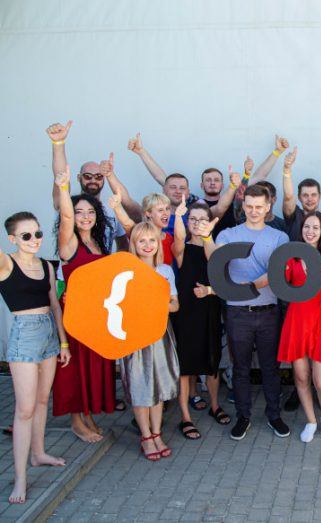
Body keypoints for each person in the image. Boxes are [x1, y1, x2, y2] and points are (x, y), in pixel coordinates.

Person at [202, 183, 291, 440]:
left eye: (259, 207)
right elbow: (214, 260)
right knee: (240, 368)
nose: (253, 211)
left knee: (270, 368)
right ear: (243, 206)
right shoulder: (228, 234)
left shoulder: (279, 237)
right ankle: (243, 416)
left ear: (268, 207)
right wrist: (207, 237)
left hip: (268, 311)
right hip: (237, 313)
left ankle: (274, 415)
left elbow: (276, 273)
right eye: (249, 206)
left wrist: (250, 285)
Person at [0, 212, 71, 504]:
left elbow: (54, 305)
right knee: (25, 409)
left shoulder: (46, 265)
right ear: (12, 239)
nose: (34, 240)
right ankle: (20, 479)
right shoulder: (6, 263)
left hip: (48, 337)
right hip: (24, 336)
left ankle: (38, 454)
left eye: (38, 234)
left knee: (43, 400)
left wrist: (63, 342)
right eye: (26, 235)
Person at [52, 167, 116, 442]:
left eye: (90, 212)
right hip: (75, 315)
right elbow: (65, 215)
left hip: (96, 315)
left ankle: (88, 413)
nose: (85, 217)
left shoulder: (98, 243)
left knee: (92, 366)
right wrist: (64, 188)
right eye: (79, 212)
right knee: (75, 369)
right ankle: (76, 421)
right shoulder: (69, 242)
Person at [129, 132, 290, 233]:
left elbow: (258, 176)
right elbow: (161, 177)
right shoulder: (192, 202)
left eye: (217, 180)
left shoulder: (233, 197)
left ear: (222, 184)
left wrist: (277, 152)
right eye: (208, 180)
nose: (212, 183)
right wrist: (141, 152)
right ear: (201, 185)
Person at [119, 222, 180, 461]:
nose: (147, 245)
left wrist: (158, 303)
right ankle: (145, 436)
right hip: (135, 335)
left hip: (160, 334)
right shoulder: (126, 271)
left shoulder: (165, 271)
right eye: (141, 241)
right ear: (133, 244)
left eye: (151, 240)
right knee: (139, 385)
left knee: (158, 385)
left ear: (158, 244)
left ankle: (157, 433)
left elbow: (175, 305)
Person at [171, 201, 231, 440]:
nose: (197, 224)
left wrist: (207, 237)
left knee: (212, 362)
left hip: (209, 310)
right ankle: (185, 416)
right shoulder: (182, 249)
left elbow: (217, 266)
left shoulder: (214, 246)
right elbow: (177, 239)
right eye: (192, 219)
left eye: (202, 220)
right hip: (185, 314)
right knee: (185, 368)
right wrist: (178, 216)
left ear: (209, 223)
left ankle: (214, 405)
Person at [277, 212, 321, 442]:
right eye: (306, 227)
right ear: (301, 230)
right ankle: (311, 421)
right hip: (296, 321)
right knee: (301, 378)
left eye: (315, 228)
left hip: (320, 320)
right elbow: (279, 283)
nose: (310, 231)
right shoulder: (291, 258)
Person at [47, 121, 140, 252]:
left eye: (98, 176)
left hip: (103, 271)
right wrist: (58, 144)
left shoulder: (113, 208)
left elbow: (123, 243)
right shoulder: (68, 204)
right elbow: (60, 175)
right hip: (75, 270)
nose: (93, 180)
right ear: (79, 178)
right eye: (87, 176)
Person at [282, 147, 321, 247]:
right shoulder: (294, 218)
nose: (309, 199)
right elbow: (288, 197)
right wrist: (287, 169)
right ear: (299, 197)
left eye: (313, 195)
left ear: (320, 196)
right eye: (305, 195)